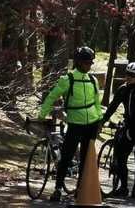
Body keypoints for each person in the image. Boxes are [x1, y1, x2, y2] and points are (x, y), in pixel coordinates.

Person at [39, 46, 103, 202]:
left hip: (92, 124)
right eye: (86, 62)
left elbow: (96, 102)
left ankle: (81, 189)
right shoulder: (68, 79)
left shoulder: (92, 80)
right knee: (66, 156)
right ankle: (58, 188)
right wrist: (42, 115)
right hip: (75, 123)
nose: (89, 65)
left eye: (91, 62)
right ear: (78, 62)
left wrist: (100, 119)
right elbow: (51, 97)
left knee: (87, 160)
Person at [100, 63, 135, 199]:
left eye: (131, 75)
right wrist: (102, 121)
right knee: (121, 159)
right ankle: (123, 187)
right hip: (128, 127)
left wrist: (132, 128)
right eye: (127, 74)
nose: (128, 77)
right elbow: (112, 107)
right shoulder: (123, 90)